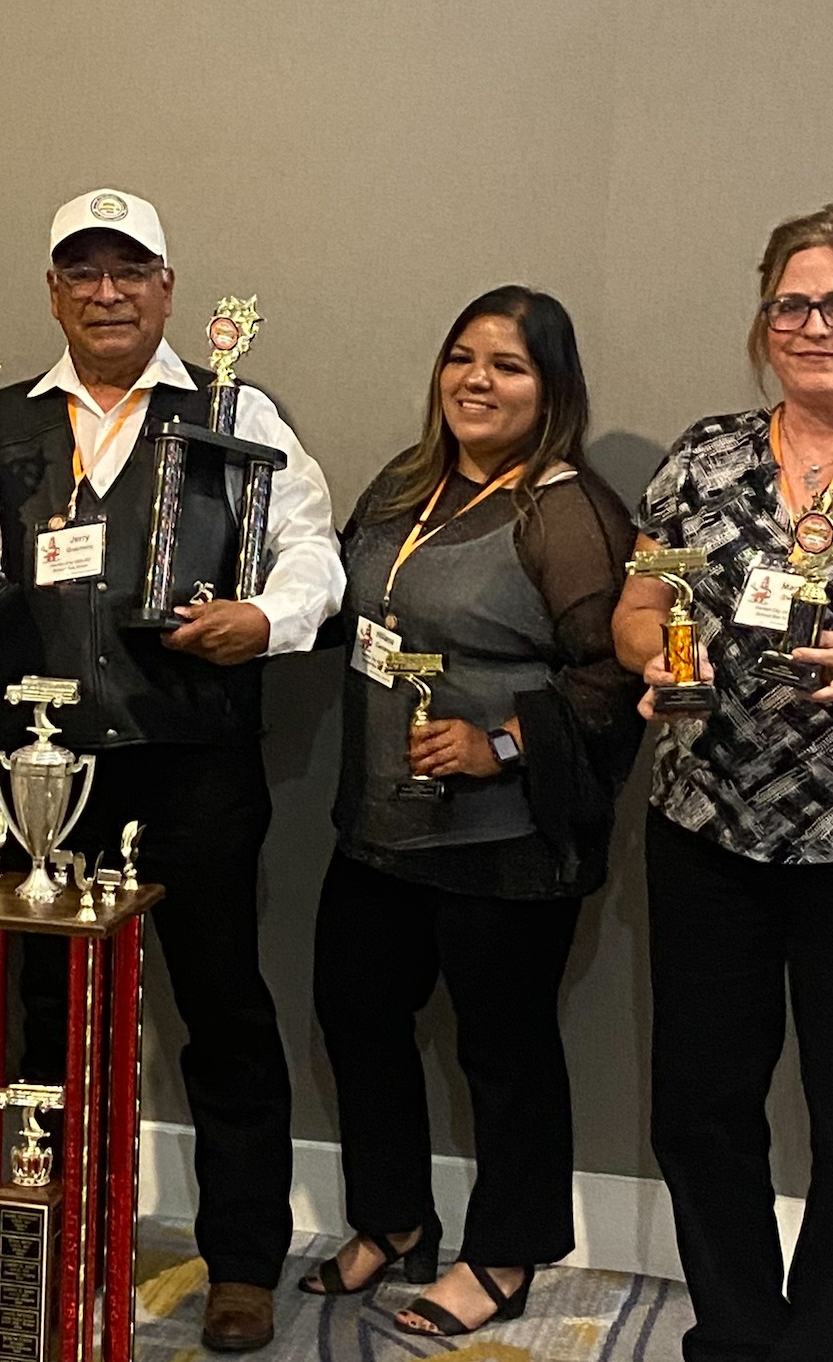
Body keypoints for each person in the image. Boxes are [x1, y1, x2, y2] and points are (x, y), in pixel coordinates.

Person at [0, 187, 344, 1353]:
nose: (106, 293)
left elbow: (311, 552)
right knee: (48, 1021)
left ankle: (243, 1263)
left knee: (221, 1010)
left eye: (129, 272)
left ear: (167, 286)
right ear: (52, 291)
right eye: (82, 273)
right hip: (41, 774)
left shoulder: (234, 408)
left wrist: (261, 620)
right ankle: (55, 1241)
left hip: (195, 762)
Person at [614, 205, 833, 1362]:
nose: (814, 326)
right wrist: (660, 662)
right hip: (710, 831)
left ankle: (826, 1349)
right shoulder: (702, 459)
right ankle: (736, 1337)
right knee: (702, 1115)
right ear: (762, 319)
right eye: (791, 304)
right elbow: (636, 610)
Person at [301, 286, 641, 1339]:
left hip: (501, 842)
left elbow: (612, 674)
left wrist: (499, 746)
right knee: (356, 1018)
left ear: (551, 391)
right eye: (462, 356)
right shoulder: (407, 483)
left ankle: (504, 1251)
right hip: (380, 821)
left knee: (503, 1051)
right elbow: (343, 605)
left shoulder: (566, 510)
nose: (476, 381)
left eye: (508, 365)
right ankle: (394, 1219)